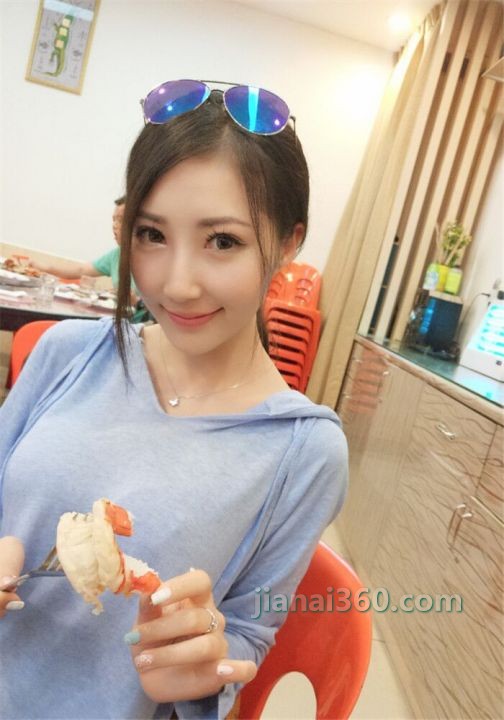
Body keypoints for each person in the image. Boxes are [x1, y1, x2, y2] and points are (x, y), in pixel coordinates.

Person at [0, 80, 348, 719]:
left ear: (288, 243)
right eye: (152, 234)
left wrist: (204, 664)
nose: (177, 284)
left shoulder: (305, 452)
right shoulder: (66, 353)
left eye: (223, 241)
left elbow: (248, 634)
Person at [28, 197, 149, 323]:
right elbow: (81, 270)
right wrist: (45, 268)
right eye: (114, 220)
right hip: (118, 323)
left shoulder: (153, 259)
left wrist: (137, 302)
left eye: (121, 220)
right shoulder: (117, 255)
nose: (114, 225)